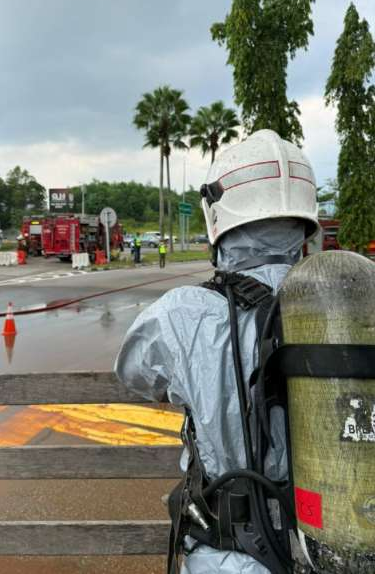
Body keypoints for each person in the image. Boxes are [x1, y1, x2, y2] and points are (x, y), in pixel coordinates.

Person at [115, 129, 320, 574]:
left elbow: (134, 373)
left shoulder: (179, 314)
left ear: (217, 219)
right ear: (306, 219)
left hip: (227, 556)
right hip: (333, 547)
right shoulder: (349, 303)